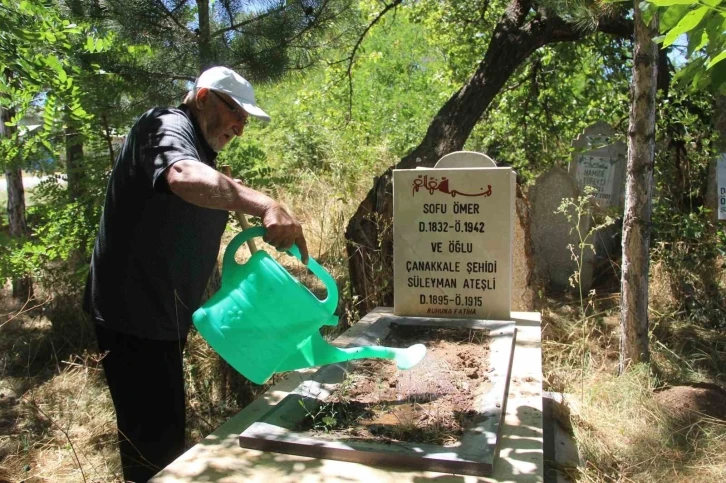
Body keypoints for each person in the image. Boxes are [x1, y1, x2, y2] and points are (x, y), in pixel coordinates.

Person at [83, 66, 308, 483]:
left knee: (163, 434)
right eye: (236, 114)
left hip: (162, 315)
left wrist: (229, 190)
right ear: (203, 97)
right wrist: (264, 204)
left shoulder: (200, 149)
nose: (239, 129)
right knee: (155, 449)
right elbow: (182, 175)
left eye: (245, 122)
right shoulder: (164, 123)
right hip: (133, 314)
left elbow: (193, 188)